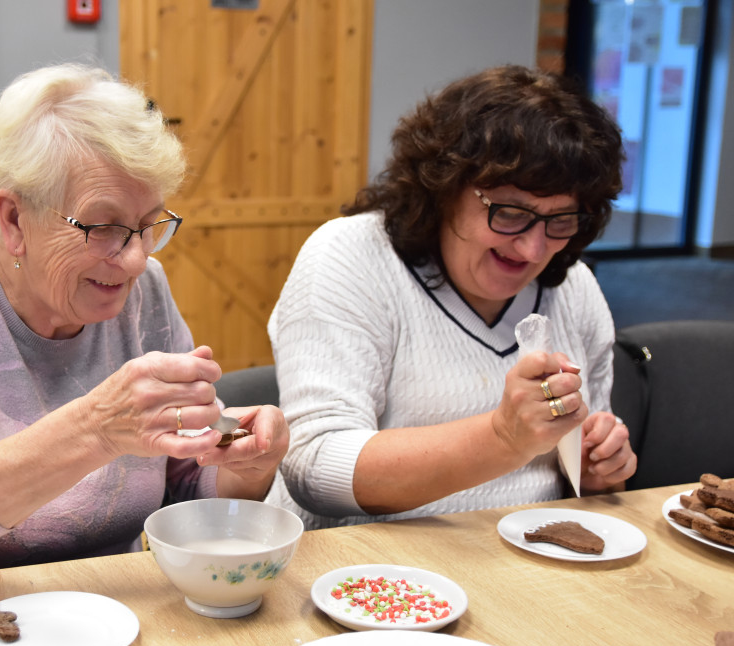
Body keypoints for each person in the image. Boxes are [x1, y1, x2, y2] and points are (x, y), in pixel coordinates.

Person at [0, 64, 289, 588]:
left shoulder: (143, 293)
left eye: (147, 226)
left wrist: (242, 468)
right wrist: (94, 429)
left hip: (98, 612)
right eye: (105, 226)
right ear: (15, 219)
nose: (135, 260)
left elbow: (183, 484)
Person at [264, 65, 637, 530]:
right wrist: (502, 436)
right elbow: (315, 470)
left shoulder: (575, 287)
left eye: (561, 220)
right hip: (359, 570)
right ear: (443, 186)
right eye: (509, 213)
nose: (533, 248)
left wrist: (599, 470)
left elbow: (585, 482)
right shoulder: (353, 256)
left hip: (524, 563)